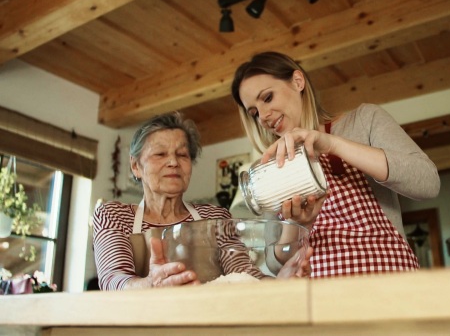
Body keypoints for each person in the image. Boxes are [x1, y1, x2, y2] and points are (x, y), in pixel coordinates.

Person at [231, 51, 440, 278]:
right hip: (323, 298)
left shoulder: (363, 121)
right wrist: (299, 225)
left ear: (298, 82)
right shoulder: (271, 172)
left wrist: (333, 144)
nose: (262, 116)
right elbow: (274, 264)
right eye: (254, 113)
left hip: (390, 283)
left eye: (268, 98)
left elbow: (427, 183)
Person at [92, 112, 311, 290]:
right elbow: (113, 280)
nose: (173, 162)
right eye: (160, 154)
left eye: (182, 155)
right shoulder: (113, 215)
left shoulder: (215, 218)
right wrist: (150, 284)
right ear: (135, 166)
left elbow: (243, 275)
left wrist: (278, 286)